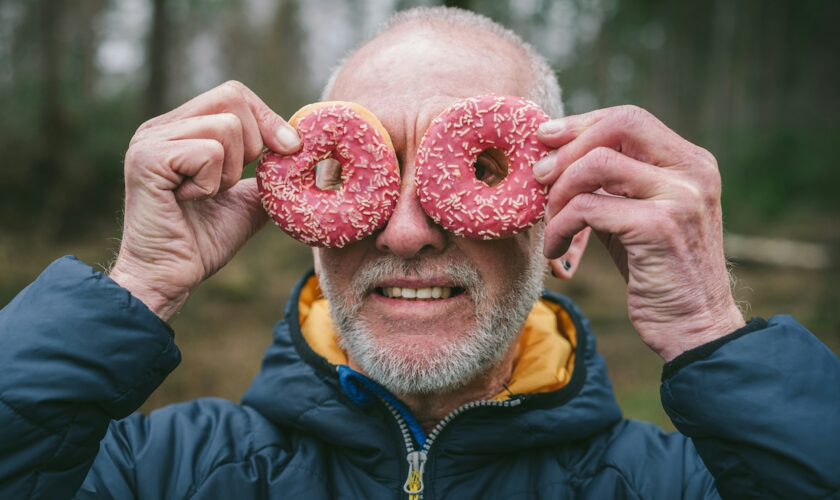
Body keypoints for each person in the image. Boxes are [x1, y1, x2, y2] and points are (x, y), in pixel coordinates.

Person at [0, 7, 837, 499]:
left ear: (571, 227)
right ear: (306, 208)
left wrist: (708, 330)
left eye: (474, 171)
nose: (405, 233)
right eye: (359, 174)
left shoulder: (688, 484)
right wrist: (136, 285)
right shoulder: (159, 473)